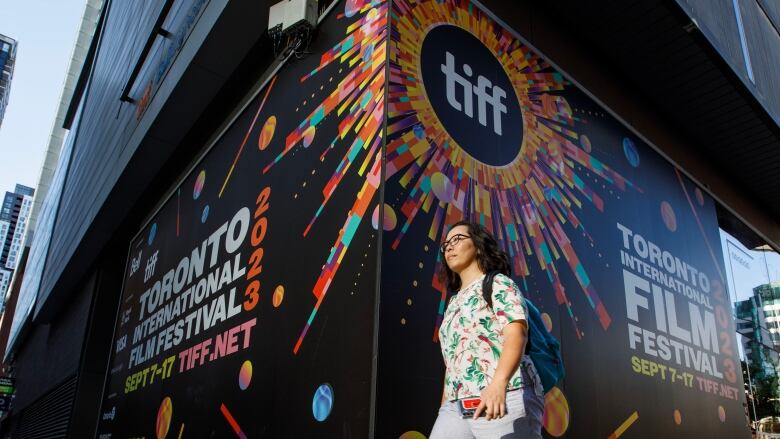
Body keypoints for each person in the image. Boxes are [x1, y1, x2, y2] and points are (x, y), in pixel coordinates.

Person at [430, 220, 544, 439]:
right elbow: (453, 362)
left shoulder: (498, 283)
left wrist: (499, 383)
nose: (450, 247)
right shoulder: (453, 302)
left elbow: (516, 333)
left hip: (505, 393)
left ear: (479, 245)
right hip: (456, 407)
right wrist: (444, 407)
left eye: (458, 239)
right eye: (446, 244)